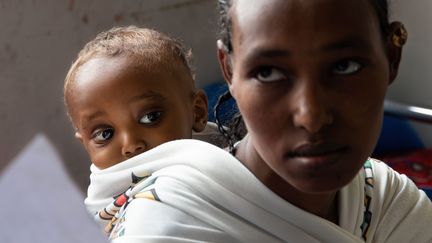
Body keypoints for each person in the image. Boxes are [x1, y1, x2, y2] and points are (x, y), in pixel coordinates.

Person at [84, 1, 432, 242]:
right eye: (268, 73)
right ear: (229, 70)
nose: (311, 116)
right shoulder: (167, 227)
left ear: (391, 56)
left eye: (345, 66)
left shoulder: (390, 203)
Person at [62, 26, 210, 234]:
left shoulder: (220, 173)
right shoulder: (97, 205)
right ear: (86, 146)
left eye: (150, 117)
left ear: (198, 112)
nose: (131, 145)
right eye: (105, 134)